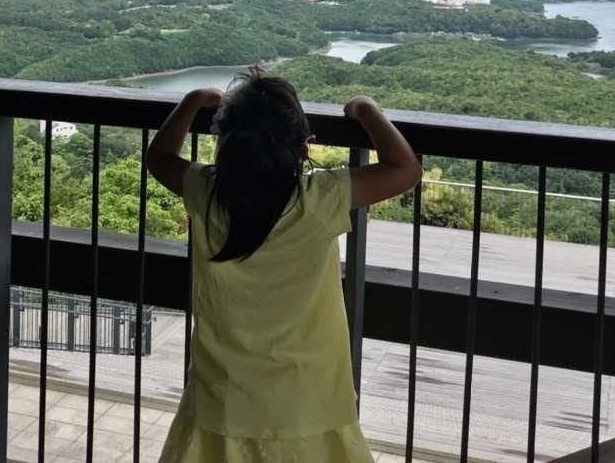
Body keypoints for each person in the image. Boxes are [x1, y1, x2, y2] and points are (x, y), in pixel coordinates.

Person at [146, 68, 422, 463]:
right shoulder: (320, 198)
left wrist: (192, 102)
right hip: (307, 396)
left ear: (223, 142)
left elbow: (158, 158)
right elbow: (406, 170)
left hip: (223, 394)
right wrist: (366, 110)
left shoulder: (206, 191)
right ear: (302, 148)